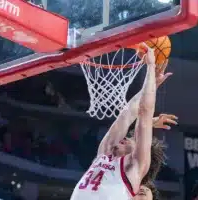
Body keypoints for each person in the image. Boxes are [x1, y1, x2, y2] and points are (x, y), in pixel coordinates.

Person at [70, 45, 177, 200]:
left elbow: (144, 112)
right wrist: (150, 85)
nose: (127, 137)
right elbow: (126, 115)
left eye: (132, 140)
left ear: (139, 148)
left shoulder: (135, 167)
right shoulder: (105, 153)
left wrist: (150, 67)